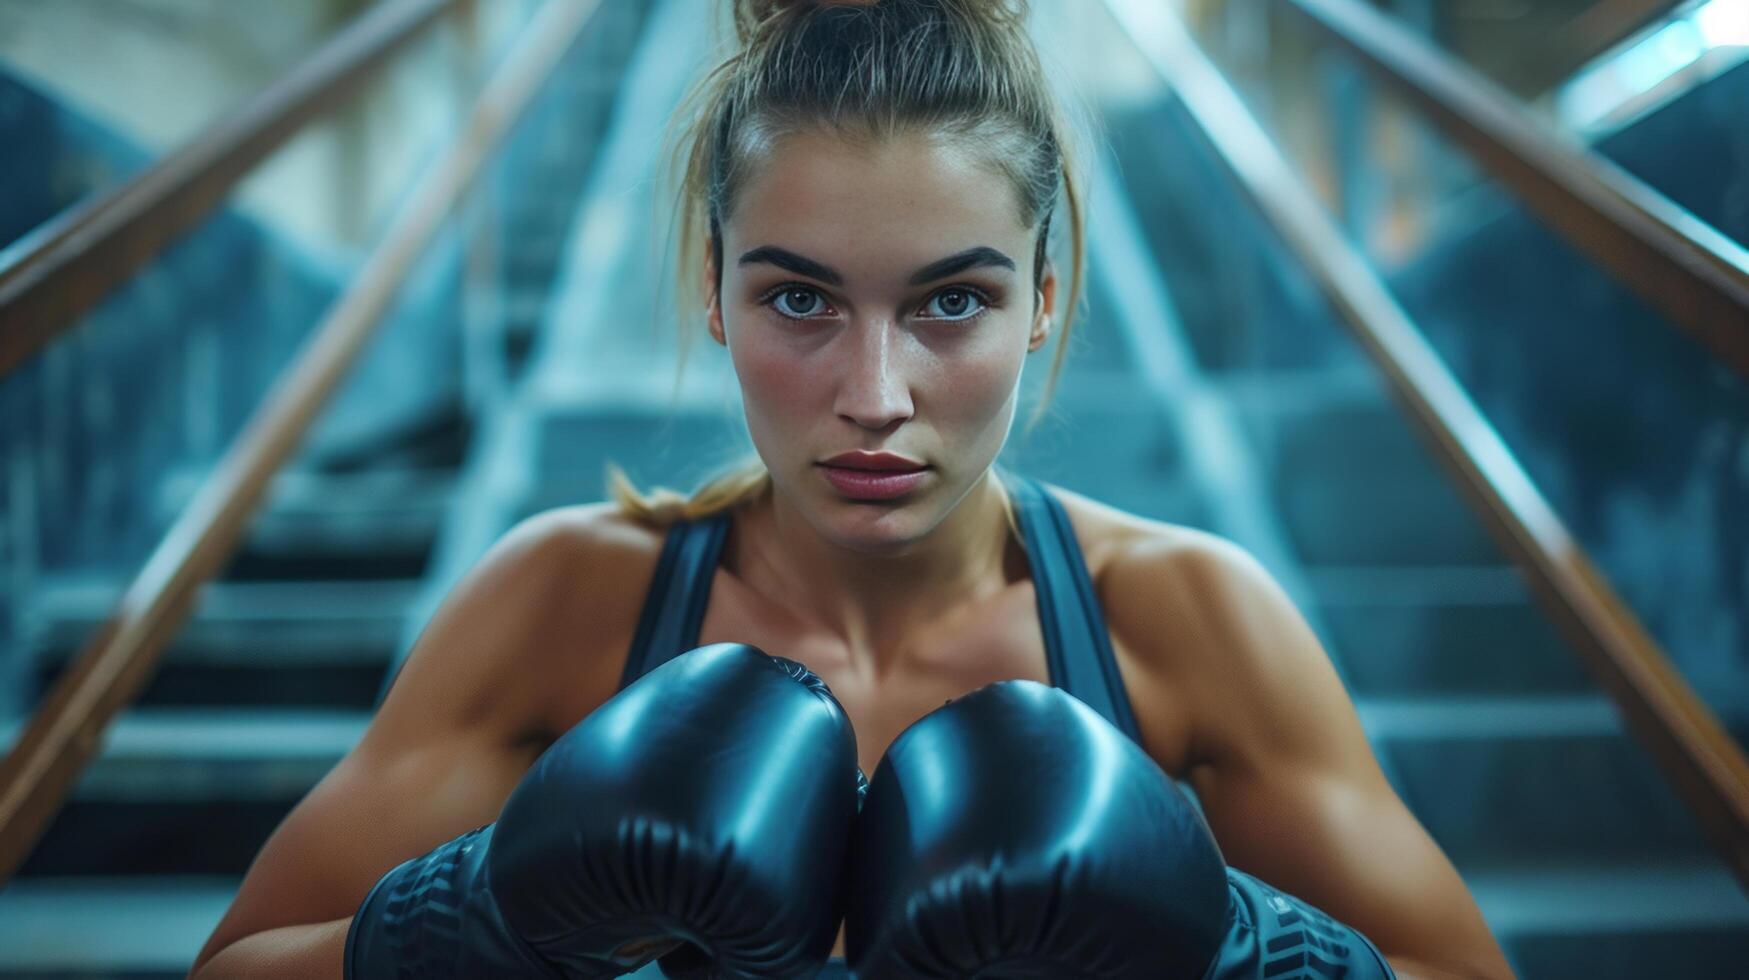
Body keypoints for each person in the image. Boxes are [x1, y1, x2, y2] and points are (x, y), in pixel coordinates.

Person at [188, 1, 1514, 977]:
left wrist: (1226, 948)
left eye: (952, 301)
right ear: (713, 289)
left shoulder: (1180, 619)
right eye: (799, 299)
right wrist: (484, 918)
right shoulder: (567, 599)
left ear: (1041, 300)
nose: (874, 394)